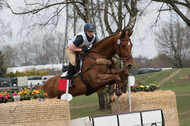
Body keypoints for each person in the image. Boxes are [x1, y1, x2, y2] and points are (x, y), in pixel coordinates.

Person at [64, 22, 97, 87]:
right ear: (85, 31)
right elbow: (71, 48)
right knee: (73, 62)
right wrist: (82, 49)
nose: (91, 33)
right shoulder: (81, 37)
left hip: (79, 49)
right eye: (89, 32)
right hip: (70, 49)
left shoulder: (94, 38)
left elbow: (95, 47)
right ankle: (69, 80)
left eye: (92, 31)